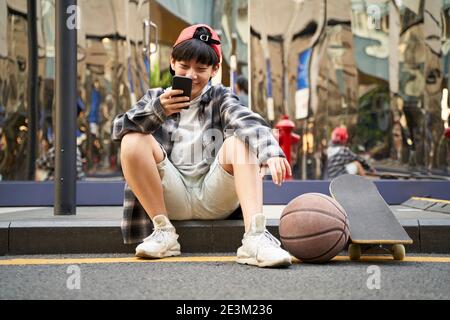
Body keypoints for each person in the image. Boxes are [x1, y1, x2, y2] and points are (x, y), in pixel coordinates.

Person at [111, 24, 292, 268]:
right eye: (184, 66)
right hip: (170, 197)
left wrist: (270, 151)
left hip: (214, 195)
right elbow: (118, 129)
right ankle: (164, 233)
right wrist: (158, 110)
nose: (191, 75)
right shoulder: (156, 98)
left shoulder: (221, 97)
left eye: (201, 68)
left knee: (240, 140)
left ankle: (255, 238)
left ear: (214, 70)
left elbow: (244, 118)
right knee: (133, 139)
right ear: (173, 62)